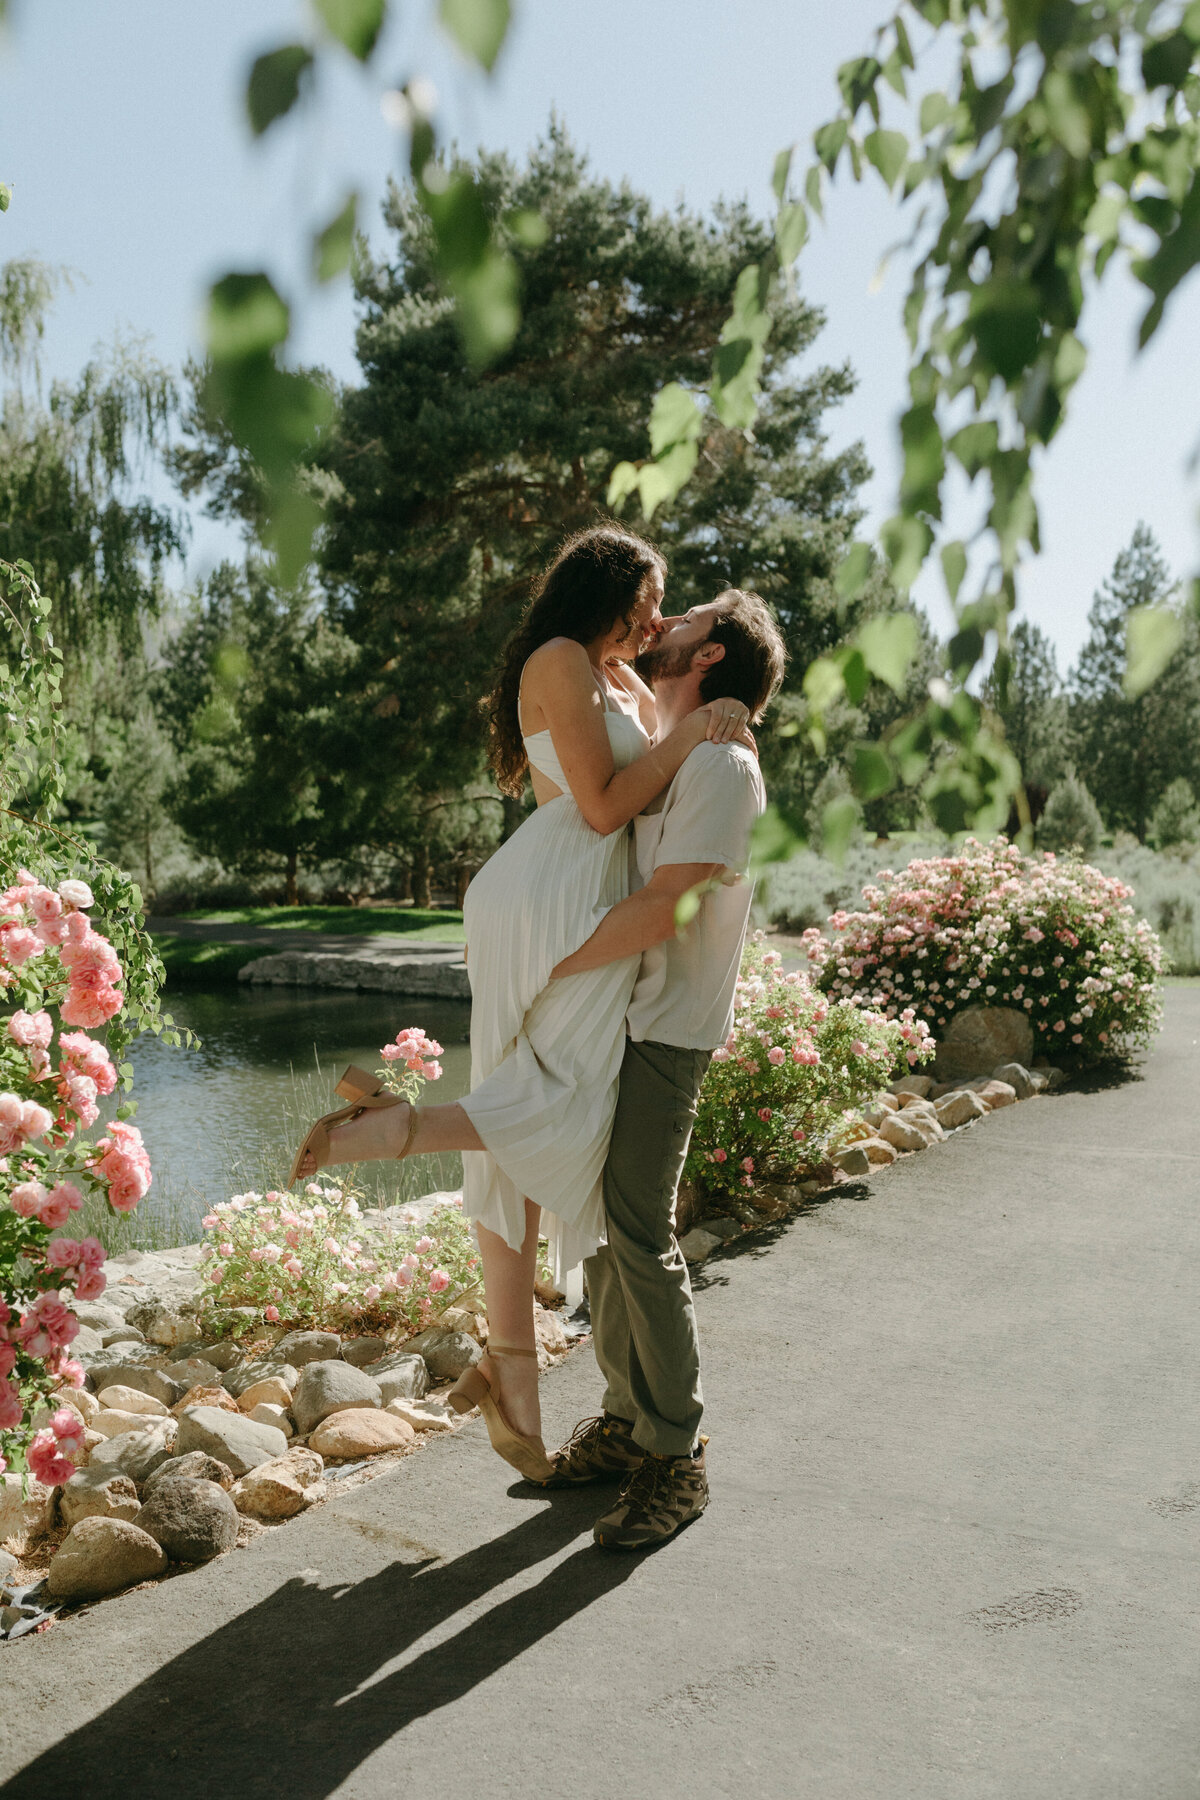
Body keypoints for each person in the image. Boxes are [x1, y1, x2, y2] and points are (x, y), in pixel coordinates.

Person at [289, 525, 753, 1482]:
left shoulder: (620, 675)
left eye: (667, 608)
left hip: (586, 901)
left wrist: (712, 722)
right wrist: (697, 734)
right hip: (549, 896)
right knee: (560, 1100)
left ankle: (511, 1374)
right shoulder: (557, 659)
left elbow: (671, 768)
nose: (654, 619)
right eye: (645, 600)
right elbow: (600, 806)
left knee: (568, 1111)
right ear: (606, 591)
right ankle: (394, 1135)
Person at [537, 588, 785, 1551]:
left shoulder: (723, 767)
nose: (664, 618)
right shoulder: (668, 737)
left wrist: (545, 965)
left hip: (665, 1029)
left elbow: (672, 905)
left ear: (713, 653)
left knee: (639, 1232)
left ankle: (678, 1458)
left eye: (689, 616)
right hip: (612, 1018)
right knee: (599, 1230)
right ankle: (627, 1420)